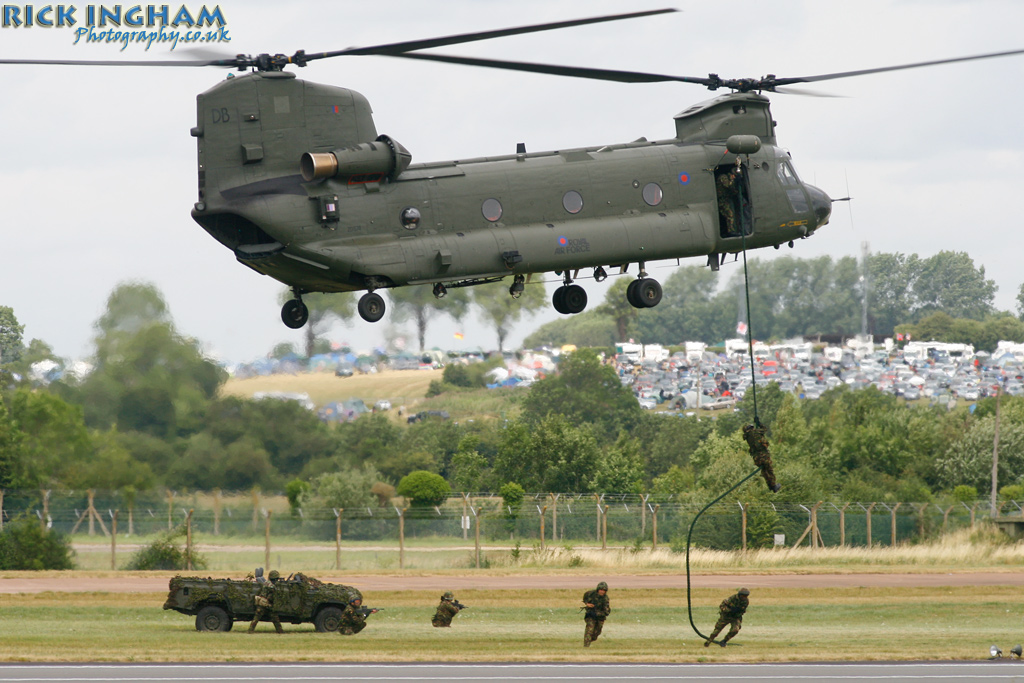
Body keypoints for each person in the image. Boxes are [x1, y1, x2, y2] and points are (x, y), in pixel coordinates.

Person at [743, 423, 781, 492]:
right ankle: (773, 486)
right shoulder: (757, 432)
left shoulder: (747, 436)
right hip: (763, 455)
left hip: (756, 458)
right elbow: (764, 429)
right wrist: (759, 423)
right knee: (769, 470)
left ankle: (770, 486)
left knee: (764, 471)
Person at [248, 569, 284, 633]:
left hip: (264, 603)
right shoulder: (270, 585)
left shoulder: (266, 582)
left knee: (257, 618)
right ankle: (280, 631)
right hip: (264, 603)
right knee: (273, 617)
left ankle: (250, 630)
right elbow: (274, 590)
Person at [582, 581, 611, 647]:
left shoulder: (605, 599)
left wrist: (598, 613)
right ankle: (586, 646)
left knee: (596, 633)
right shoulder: (590, 594)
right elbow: (585, 598)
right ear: (598, 589)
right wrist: (587, 604)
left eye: (604, 590)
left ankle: (590, 639)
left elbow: (607, 611)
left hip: (600, 617)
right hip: (590, 615)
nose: (602, 592)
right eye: (601, 590)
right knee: (589, 630)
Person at [716, 169, 740, 237]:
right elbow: (728, 185)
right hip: (721, 200)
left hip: (725, 200)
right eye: (734, 176)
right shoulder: (723, 177)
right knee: (729, 214)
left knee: (729, 214)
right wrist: (733, 180)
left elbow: (733, 191)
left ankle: (730, 231)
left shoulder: (729, 180)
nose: (734, 177)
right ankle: (731, 231)